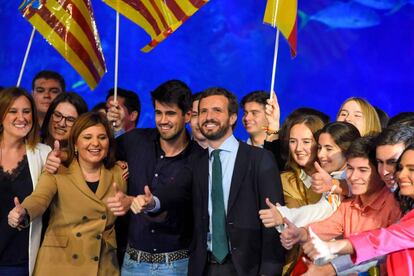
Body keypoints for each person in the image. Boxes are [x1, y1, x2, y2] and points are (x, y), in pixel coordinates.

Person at [132, 87, 285, 276]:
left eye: (216, 110)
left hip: (248, 268)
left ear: (232, 118)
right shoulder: (196, 162)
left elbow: (274, 222)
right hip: (205, 267)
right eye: (203, 111)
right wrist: (152, 202)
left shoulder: (260, 159)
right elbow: (175, 190)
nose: (208, 117)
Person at [8, 112, 126, 275]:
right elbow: (39, 198)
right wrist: (24, 211)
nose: (95, 143)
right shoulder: (58, 169)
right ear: (76, 143)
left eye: (102, 137)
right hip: (59, 264)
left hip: (102, 266)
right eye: (87, 137)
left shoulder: (120, 173)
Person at [107, 80, 201, 276]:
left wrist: (148, 202)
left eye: (171, 113)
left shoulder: (199, 159)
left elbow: (177, 194)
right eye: (159, 113)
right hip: (133, 263)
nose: (163, 120)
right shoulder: (135, 141)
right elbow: (98, 153)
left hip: (177, 266)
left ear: (188, 115)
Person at [281, 136, 401, 274]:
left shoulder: (396, 205)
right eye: (350, 168)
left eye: (363, 170)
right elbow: (322, 229)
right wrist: (299, 234)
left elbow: (382, 250)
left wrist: (331, 267)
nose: (353, 177)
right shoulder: (348, 204)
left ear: (379, 172)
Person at [260, 122, 360, 229]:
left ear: (348, 151)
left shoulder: (347, 177)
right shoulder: (335, 177)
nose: (321, 155)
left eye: (329, 149)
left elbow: (323, 209)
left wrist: (284, 214)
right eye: (319, 148)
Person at [0, 87, 50, 276]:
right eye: (13, 111)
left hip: (21, 262)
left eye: (26, 111)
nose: (21, 117)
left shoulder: (45, 154)